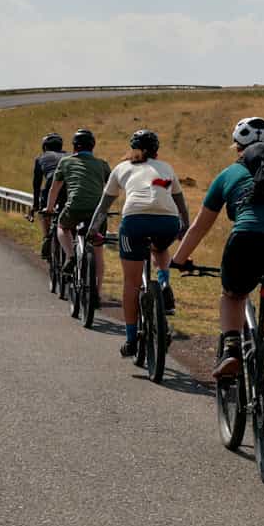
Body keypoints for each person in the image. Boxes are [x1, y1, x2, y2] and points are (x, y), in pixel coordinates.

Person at [169, 117, 264, 395]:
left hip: (246, 241)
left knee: (233, 294)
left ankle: (232, 347)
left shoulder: (228, 174)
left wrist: (179, 259)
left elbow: (199, 226)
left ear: (237, 147)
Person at [87, 129, 189, 358]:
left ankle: (131, 339)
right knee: (160, 247)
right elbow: (181, 203)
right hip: (168, 222)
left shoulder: (121, 168)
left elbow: (103, 206)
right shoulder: (166, 168)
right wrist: (184, 228)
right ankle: (163, 282)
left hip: (135, 221)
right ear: (157, 150)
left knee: (131, 283)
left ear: (132, 149)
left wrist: (93, 229)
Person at [43, 128, 110, 268]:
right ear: (93, 146)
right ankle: (96, 288)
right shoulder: (102, 164)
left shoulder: (65, 162)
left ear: (74, 146)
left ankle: (70, 255)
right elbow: (111, 188)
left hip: (74, 207)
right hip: (97, 210)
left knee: (62, 226)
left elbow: (54, 189)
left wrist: (49, 209)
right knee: (98, 249)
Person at [28, 133, 63, 259]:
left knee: (46, 211)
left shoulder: (40, 158)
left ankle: (47, 238)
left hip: (51, 183)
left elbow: (36, 184)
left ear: (44, 147)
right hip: (70, 185)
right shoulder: (69, 156)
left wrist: (36, 205)